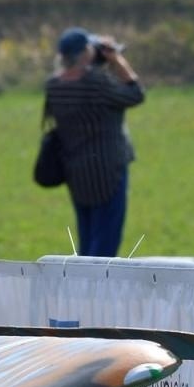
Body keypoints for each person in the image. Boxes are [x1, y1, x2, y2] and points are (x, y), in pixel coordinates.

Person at [45, 27, 143, 257]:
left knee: (87, 237)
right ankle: (95, 291)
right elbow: (135, 93)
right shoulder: (98, 83)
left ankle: (81, 287)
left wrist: (97, 64)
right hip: (108, 171)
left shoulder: (54, 86)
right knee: (106, 241)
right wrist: (116, 59)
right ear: (85, 53)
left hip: (75, 171)